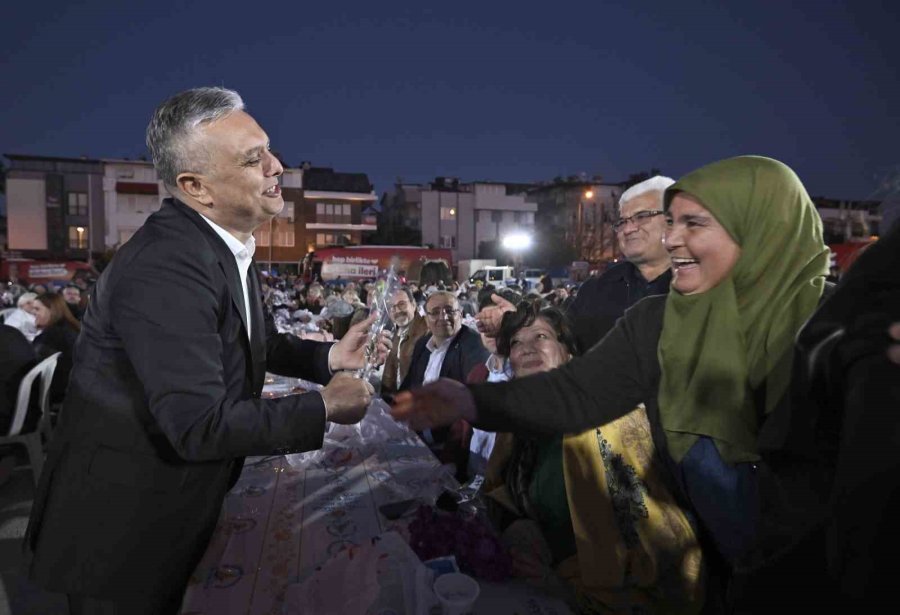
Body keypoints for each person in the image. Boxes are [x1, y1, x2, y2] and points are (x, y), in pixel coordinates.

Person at [393, 156, 838, 610]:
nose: (672, 238)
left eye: (693, 223)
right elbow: (577, 392)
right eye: (671, 222)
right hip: (721, 570)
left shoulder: (844, 337)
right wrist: (468, 398)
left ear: (759, 228)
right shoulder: (657, 321)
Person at [24, 87, 382, 615]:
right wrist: (324, 406)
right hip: (125, 534)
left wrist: (326, 359)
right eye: (252, 159)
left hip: (163, 506)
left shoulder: (219, 242)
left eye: (269, 150)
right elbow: (199, 424)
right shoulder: (167, 264)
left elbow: (246, 338)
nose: (276, 167)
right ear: (197, 186)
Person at [567, 176, 674, 351]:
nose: (628, 229)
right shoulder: (594, 292)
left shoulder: (709, 287)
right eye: (623, 221)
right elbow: (562, 345)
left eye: (642, 216)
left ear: (673, 219)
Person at [400, 290, 488, 479]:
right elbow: (409, 385)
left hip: (450, 446)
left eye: (450, 310)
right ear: (426, 318)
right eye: (435, 312)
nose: (443, 317)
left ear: (461, 315)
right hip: (418, 438)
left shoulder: (473, 345)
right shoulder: (422, 344)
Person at [31, 292, 81, 405]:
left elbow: (33, 367)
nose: (33, 312)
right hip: (74, 392)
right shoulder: (71, 328)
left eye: (37, 309)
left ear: (52, 310)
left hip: (54, 394)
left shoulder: (52, 335)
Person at [381, 287, 428, 394]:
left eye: (402, 304)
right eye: (392, 307)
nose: (397, 310)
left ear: (413, 305)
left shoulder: (427, 329)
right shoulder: (396, 333)